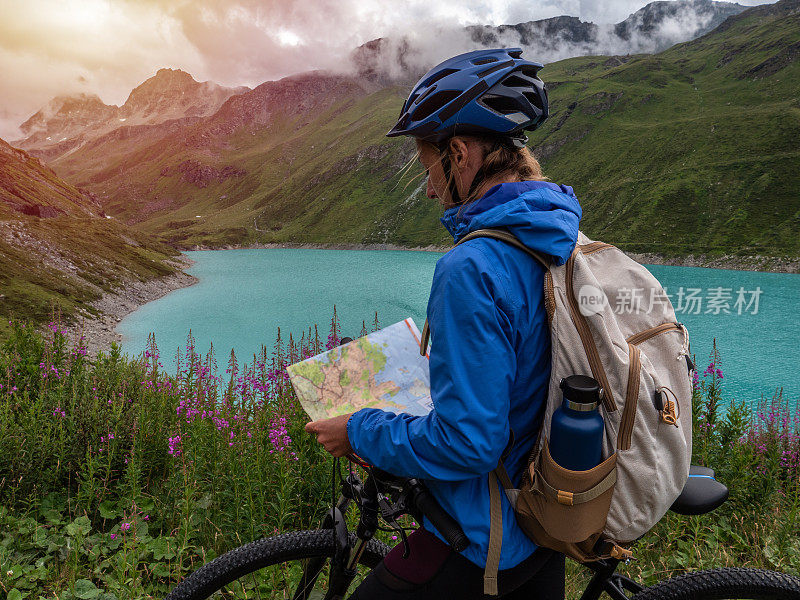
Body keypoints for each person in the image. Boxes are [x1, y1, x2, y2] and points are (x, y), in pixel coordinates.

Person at [305, 47, 582, 599]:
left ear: (459, 154)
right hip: (544, 526)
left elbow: (470, 444)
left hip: (483, 543)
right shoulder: (557, 237)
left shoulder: (471, 267)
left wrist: (356, 429)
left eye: (426, 166)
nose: (430, 189)